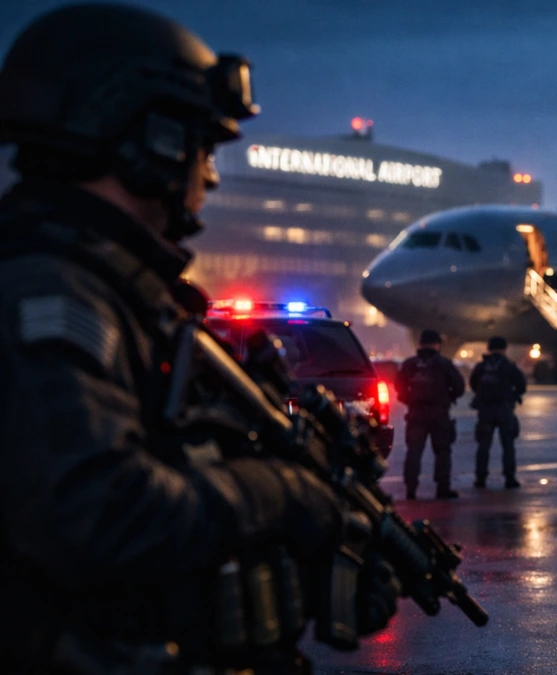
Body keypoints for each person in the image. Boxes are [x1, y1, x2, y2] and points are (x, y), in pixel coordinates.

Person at [0, 5, 398, 672]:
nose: (208, 175)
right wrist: (280, 494)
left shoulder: (114, 289)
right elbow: (101, 514)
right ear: (146, 139)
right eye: (202, 146)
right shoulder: (52, 293)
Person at [396, 329, 465, 499]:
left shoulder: (410, 364)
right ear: (437, 345)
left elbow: (399, 387)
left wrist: (410, 401)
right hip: (439, 414)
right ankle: (442, 488)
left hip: (415, 414)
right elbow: (459, 386)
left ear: (420, 344)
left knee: (413, 451)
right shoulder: (444, 364)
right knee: (442, 452)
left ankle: (410, 489)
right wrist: (447, 398)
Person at [470, 336, 527, 489]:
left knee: (483, 446)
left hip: (485, 411)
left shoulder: (482, 366)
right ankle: (509, 478)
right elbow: (521, 384)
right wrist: (512, 395)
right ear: (504, 349)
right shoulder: (508, 366)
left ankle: (480, 478)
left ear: (488, 348)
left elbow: (473, 383)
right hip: (504, 410)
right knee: (508, 445)